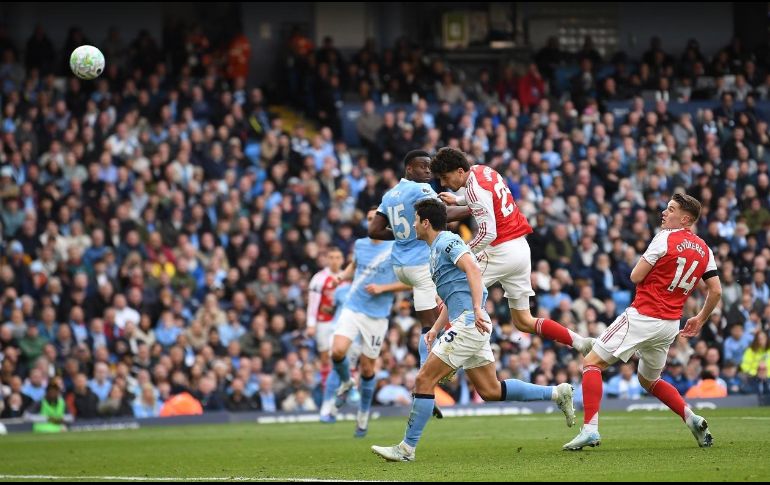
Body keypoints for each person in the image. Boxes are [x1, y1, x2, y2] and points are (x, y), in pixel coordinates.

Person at [371, 199, 574, 462]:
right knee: (490, 390)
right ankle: (558, 393)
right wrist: (435, 327)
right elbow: (456, 293)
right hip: (469, 321)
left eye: (415, 220)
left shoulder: (447, 241)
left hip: (470, 322)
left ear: (426, 222)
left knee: (424, 380)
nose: (412, 225)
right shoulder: (434, 250)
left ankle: (406, 448)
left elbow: (473, 270)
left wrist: (477, 308)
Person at [563, 194, 721, 450]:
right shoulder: (705, 249)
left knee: (591, 362)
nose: (664, 213)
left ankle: (590, 429)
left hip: (643, 316)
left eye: (671, 210)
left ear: (685, 219)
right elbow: (716, 291)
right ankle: (692, 418)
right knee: (649, 381)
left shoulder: (664, 238)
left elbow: (636, 276)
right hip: (669, 324)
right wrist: (700, 318)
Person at [432, 147, 594, 355]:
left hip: (501, 250)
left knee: (449, 291)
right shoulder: (484, 170)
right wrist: (458, 200)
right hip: (520, 248)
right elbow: (484, 197)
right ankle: (580, 342)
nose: (444, 183)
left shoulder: (474, 189)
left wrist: (463, 253)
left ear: (460, 171)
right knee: (523, 321)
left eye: (446, 177)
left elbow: (487, 233)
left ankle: (448, 356)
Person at [368, 150, 469, 418]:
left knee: (440, 316)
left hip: (400, 266)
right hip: (420, 266)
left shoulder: (390, 195)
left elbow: (374, 230)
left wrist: (404, 236)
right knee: (430, 327)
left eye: (430, 167)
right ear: (409, 168)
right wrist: (473, 209)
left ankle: (431, 377)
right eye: (423, 166)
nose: (429, 171)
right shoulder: (422, 188)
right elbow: (443, 215)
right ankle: (425, 386)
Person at [321, 207, 410, 437]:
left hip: (377, 316)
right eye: (369, 219)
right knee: (337, 351)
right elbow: (354, 265)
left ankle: (363, 414)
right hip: (353, 306)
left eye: (375, 220)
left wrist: (384, 288)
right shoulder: (360, 244)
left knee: (368, 367)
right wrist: (341, 276)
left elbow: (411, 282)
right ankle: (348, 385)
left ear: (385, 225)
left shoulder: (395, 250)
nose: (371, 223)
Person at [306, 246, 345, 386]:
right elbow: (313, 303)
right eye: (331, 258)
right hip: (324, 321)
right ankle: (326, 386)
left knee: (341, 354)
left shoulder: (347, 278)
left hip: (342, 322)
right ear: (327, 260)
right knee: (324, 355)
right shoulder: (319, 278)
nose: (335, 261)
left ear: (343, 260)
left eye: (338, 258)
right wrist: (310, 324)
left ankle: (342, 384)